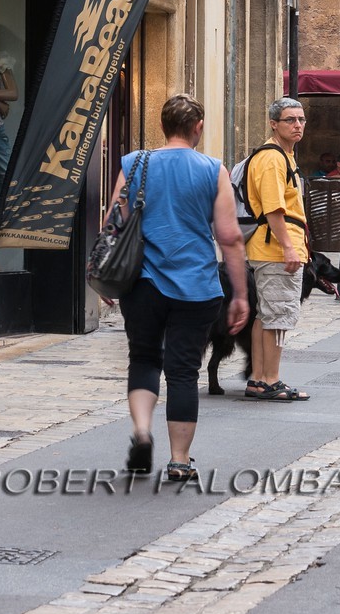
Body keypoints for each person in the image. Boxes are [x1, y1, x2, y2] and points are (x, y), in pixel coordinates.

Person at [112, 93, 249, 480]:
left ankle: (141, 432)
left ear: (162, 126)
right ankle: (179, 460)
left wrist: (103, 275)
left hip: (142, 282)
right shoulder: (212, 169)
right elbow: (229, 236)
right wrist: (239, 294)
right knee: (184, 371)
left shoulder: (135, 163)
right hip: (196, 286)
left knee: (143, 358)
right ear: (198, 128)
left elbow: (114, 221)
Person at [243, 97, 311, 402]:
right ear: (274, 123)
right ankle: (270, 380)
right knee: (279, 316)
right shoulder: (272, 158)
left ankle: (259, 379)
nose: (297, 125)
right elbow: (273, 208)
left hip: (271, 247)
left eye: (301, 119)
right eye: (290, 120)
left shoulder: (283, 155)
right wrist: (288, 248)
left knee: (265, 316)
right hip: (275, 248)